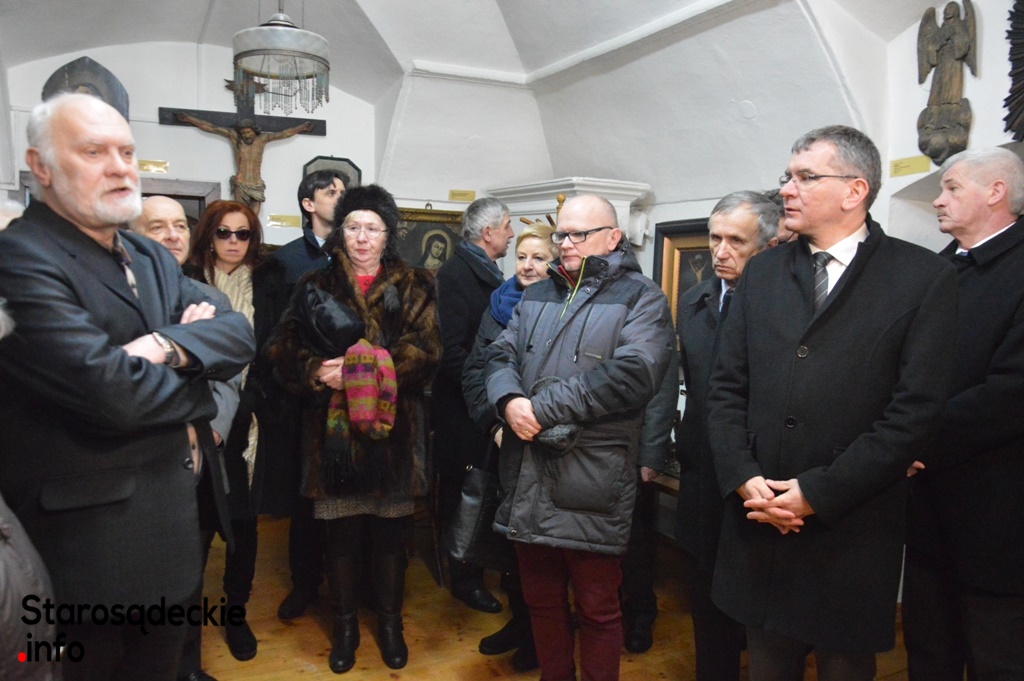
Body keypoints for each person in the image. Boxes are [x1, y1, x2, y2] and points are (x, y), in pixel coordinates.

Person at [0, 92, 254, 681]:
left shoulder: (147, 255)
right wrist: (194, 378)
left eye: (127, 152)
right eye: (94, 152)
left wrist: (161, 345)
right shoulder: (19, 256)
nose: (119, 167)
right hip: (85, 555)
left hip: (169, 536)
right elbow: (111, 394)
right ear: (41, 166)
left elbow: (237, 334)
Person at [706, 125, 958, 681]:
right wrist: (742, 475)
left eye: (805, 177)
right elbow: (725, 387)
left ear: (854, 190)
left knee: (845, 666)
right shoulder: (764, 271)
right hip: (761, 514)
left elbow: (914, 414)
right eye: (787, 177)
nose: (786, 190)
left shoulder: (922, 278)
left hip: (850, 527)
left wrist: (818, 494)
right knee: (768, 663)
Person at [484, 194, 675, 681]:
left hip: (590, 476)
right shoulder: (538, 294)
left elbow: (632, 374)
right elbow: (499, 355)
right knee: (541, 601)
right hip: (528, 470)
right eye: (561, 234)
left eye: (578, 234)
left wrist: (539, 409)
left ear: (613, 237)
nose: (565, 243)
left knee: (597, 608)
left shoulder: (642, 297)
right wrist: (508, 400)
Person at [267, 184, 441, 674]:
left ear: (388, 235)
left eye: (372, 229)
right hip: (334, 440)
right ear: (340, 232)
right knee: (340, 538)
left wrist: (362, 371)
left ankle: (390, 624)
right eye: (353, 227)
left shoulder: (416, 284)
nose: (362, 238)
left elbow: (427, 353)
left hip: (393, 436)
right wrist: (315, 371)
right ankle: (344, 628)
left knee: (389, 538)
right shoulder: (314, 285)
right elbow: (280, 349)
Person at [903, 146, 1024, 681]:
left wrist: (912, 440)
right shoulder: (937, 270)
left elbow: (1012, 390)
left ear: (996, 191)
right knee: (929, 648)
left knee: (997, 654)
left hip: (998, 508)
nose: (938, 199)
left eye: (951, 187)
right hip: (927, 504)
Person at [130, 195, 242, 681]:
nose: (173, 235)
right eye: (158, 226)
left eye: (180, 225)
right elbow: (119, 378)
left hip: (197, 459)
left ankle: (188, 667)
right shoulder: (119, 297)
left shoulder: (207, 298)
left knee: (189, 574)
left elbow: (229, 374)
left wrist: (215, 427)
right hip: (136, 464)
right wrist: (185, 348)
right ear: (130, 237)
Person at [674, 191, 780, 680]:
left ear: (768, 246)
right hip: (702, 472)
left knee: (758, 602)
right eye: (714, 238)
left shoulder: (785, 309)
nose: (720, 252)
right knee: (705, 592)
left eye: (736, 241)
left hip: (759, 475)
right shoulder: (694, 302)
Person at [184, 200, 290, 663]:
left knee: (243, 524)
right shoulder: (184, 282)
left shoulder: (269, 285)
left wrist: (255, 397)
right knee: (196, 525)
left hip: (250, 425)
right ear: (209, 236)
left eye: (242, 234)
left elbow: (279, 350)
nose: (232, 242)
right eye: (223, 233)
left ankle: (235, 613)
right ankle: (185, 631)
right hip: (193, 422)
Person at [461, 220, 559, 672]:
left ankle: (545, 635)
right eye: (521, 256)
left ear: (556, 263)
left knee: (544, 548)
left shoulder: (566, 305)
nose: (527, 265)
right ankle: (521, 625)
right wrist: (494, 424)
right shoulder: (498, 304)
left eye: (539, 258)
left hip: (548, 442)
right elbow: (476, 371)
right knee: (510, 544)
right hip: (504, 441)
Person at [271, 168, 348, 622]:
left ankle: (346, 588)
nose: (339, 197)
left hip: (352, 393)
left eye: (343, 191)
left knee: (345, 497)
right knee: (306, 499)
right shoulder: (287, 261)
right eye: (330, 191)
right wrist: (311, 370)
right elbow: (278, 335)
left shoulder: (355, 254)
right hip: (305, 397)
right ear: (308, 203)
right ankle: (304, 583)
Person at [433, 196, 514, 614]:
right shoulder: (455, 274)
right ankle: (464, 580)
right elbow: (450, 352)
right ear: (487, 233)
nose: (511, 234)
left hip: (484, 406)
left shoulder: (491, 274)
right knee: (464, 495)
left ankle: (483, 569)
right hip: (462, 409)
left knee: (484, 492)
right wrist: (489, 391)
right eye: (507, 226)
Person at [174, 112, 313, 215]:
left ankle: (253, 240)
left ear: (254, 130)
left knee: (253, 218)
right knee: (240, 214)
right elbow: (212, 127)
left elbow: (283, 134)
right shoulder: (235, 138)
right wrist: (189, 119)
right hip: (241, 183)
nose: (246, 135)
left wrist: (301, 128)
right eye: (243, 133)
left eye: (248, 132)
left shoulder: (263, 139)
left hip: (257, 184)